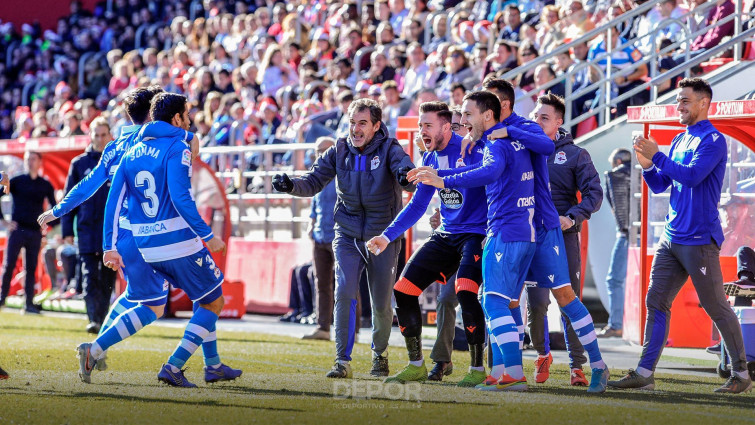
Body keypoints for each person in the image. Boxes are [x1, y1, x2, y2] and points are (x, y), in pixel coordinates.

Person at [609, 77, 752, 393]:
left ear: (703, 103)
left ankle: (741, 374)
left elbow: (691, 177)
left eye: (685, 100)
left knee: (715, 306)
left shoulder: (713, 140)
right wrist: (647, 166)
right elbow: (661, 185)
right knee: (655, 301)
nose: (679, 106)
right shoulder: (679, 139)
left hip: (700, 240)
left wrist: (657, 156)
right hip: (671, 239)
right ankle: (645, 372)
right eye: (677, 100)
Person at [95, 93, 241, 388]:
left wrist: (108, 245)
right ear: (176, 118)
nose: (190, 120)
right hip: (177, 239)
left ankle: (212, 365)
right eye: (186, 115)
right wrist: (207, 234)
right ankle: (173, 366)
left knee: (203, 294)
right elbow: (181, 196)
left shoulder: (132, 150)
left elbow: (112, 201)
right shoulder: (178, 145)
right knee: (214, 301)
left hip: (146, 245)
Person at [38, 86, 184, 373]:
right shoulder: (159, 140)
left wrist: (58, 210)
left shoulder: (116, 145)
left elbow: (87, 186)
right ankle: (94, 349)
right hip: (146, 233)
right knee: (154, 306)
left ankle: (98, 350)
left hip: (123, 231)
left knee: (133, 295)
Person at [272, 99, 416, 379]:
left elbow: (408, 176)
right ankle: (342, 360)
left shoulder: (391, 148)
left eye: (362, 123)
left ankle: (380, 354)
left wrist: (406, 177)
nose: (356, 129)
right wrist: (290, 185)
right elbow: (312, 181)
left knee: (380, 302)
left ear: (376, 125)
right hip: (347, 233)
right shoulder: (338, 149)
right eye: (352, 122)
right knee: (345, 291)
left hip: (382, 236)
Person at [411, 91, 540, 391]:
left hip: (496, 234)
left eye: (466, 117)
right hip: (482, 234)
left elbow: (485, 175)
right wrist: (441, 208)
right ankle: (483, 368)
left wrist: (443, 179)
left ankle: (506, 370)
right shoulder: (473, 145)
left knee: (497, 301)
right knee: (469, 299)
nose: (463, 125)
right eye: (459, 121)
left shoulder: (491, 145)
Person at [483, 86, 609, 392]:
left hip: (552, 232)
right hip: (518, 231)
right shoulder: (517, 139)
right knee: (513, 300)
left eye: (545, 117)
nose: (538, 121)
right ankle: (510, 370)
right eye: (535, 115)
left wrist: (573, 216)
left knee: (565, 298)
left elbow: (594, 192)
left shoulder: (569, 152)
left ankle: (592, 366)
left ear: (558, 123)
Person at [366, 101, 488, 387]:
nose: (422, 131)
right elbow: (417, 205)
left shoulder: (471, 149)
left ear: (447, 126)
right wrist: (386, 236)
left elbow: (480, 180)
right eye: (421, 125)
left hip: (477, 233)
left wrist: (440, 178)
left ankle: (477, 368)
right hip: (447, 234)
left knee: (466, 291)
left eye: (427, 125)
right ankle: (416, 365)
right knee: (403, 290)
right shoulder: (430, 159)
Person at [61, 117, 117, 334]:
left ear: (110, 136)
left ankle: (101, 320)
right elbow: (69, 199)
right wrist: (67, 230)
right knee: (89, 277)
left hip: (112, 234)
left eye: (104, 134)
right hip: (86, 231)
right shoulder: (79, 164)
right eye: (97, 135)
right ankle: (93, 319)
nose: (100, 139)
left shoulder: (118, 162)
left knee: (107, 280)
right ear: (90, 136)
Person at [0, 152, 56, 314]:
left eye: (33, 159)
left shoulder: (45, 184)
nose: (30, 163)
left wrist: (48, 227)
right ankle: (2, 298)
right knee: (9, 264)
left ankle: (29, 303)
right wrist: (4, 220)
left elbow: (55, 207)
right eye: (27, 160)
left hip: (35, 231)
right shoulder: (17, 181)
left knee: (31, 268)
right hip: (17, 229)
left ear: (40, 162)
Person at [303, 137, 338, 341]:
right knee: (321, 283)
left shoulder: (343, 174)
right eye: (316, 151)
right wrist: (311, 223)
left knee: (346, 284)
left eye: (323, 150)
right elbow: (314, 204)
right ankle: (323, 327)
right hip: (320, 235)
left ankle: (353, 329)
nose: (318, 155)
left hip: (339, 235)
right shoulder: (317, 176)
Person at [600, 148, 632, 338]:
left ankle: (616, 324)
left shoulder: (617, 174)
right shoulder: (641, 174)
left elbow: (617, 206)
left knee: (614, 280)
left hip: (627, 233)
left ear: (618, 161)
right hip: (642, 234)